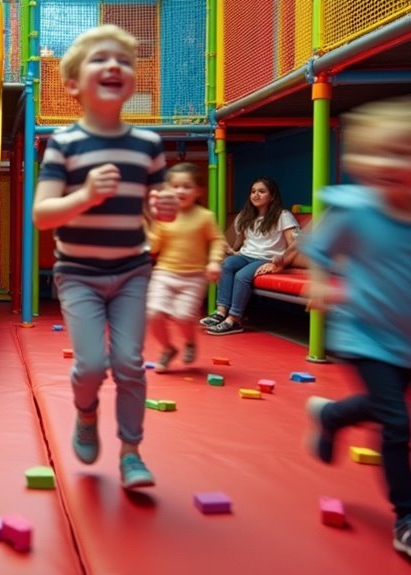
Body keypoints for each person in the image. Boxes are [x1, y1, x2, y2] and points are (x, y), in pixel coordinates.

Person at [302, 98, 411, 559]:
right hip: (361, 334)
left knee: (383, 408)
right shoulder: (356, 212)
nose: (388, 163)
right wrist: (322, 282)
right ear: (359, 160)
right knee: (398, 423)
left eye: (404, 154)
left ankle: (331, 416)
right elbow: (319, 250)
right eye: (378, 153)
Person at [32, 24, 179, 490]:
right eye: (100, 59)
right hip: (78, 274)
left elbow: (159, 209)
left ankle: (132, 452)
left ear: (132, 80)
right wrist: (86, 197)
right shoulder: (65, 144)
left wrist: (164, 209)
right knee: (92, 364)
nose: (114, 65)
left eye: (124, 61)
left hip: (131, 270)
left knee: (130, 363)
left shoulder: (148, 145)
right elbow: (42, 215)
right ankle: (86, 411)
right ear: (73, 83)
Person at [146, 162, 226, 371]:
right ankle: (167, 348)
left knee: (183, 316)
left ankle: (189, 341)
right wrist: (148, 233)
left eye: (187, 186)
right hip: (164, 273)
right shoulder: (164, 217)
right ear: (167, 189)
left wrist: (214, 261)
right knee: (153, 313)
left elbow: (217, 240)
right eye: (175, 186)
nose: (180, 190)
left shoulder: (205, 216)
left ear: (198, 190)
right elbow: (154, 246)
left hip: (193, 276)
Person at [199, 176, 298, 335]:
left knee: (242, 276)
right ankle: (220, 313)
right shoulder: (246, 215)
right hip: (246, 255)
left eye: (261, 191)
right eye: (253, 192)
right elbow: (242, 239)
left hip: (265, 258)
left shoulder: (283, 215)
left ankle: (234, 320)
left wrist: (280, 263)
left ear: (272, 196)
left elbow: (294, 243)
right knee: (226, 265)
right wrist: (233, 251)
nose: (256, 195)